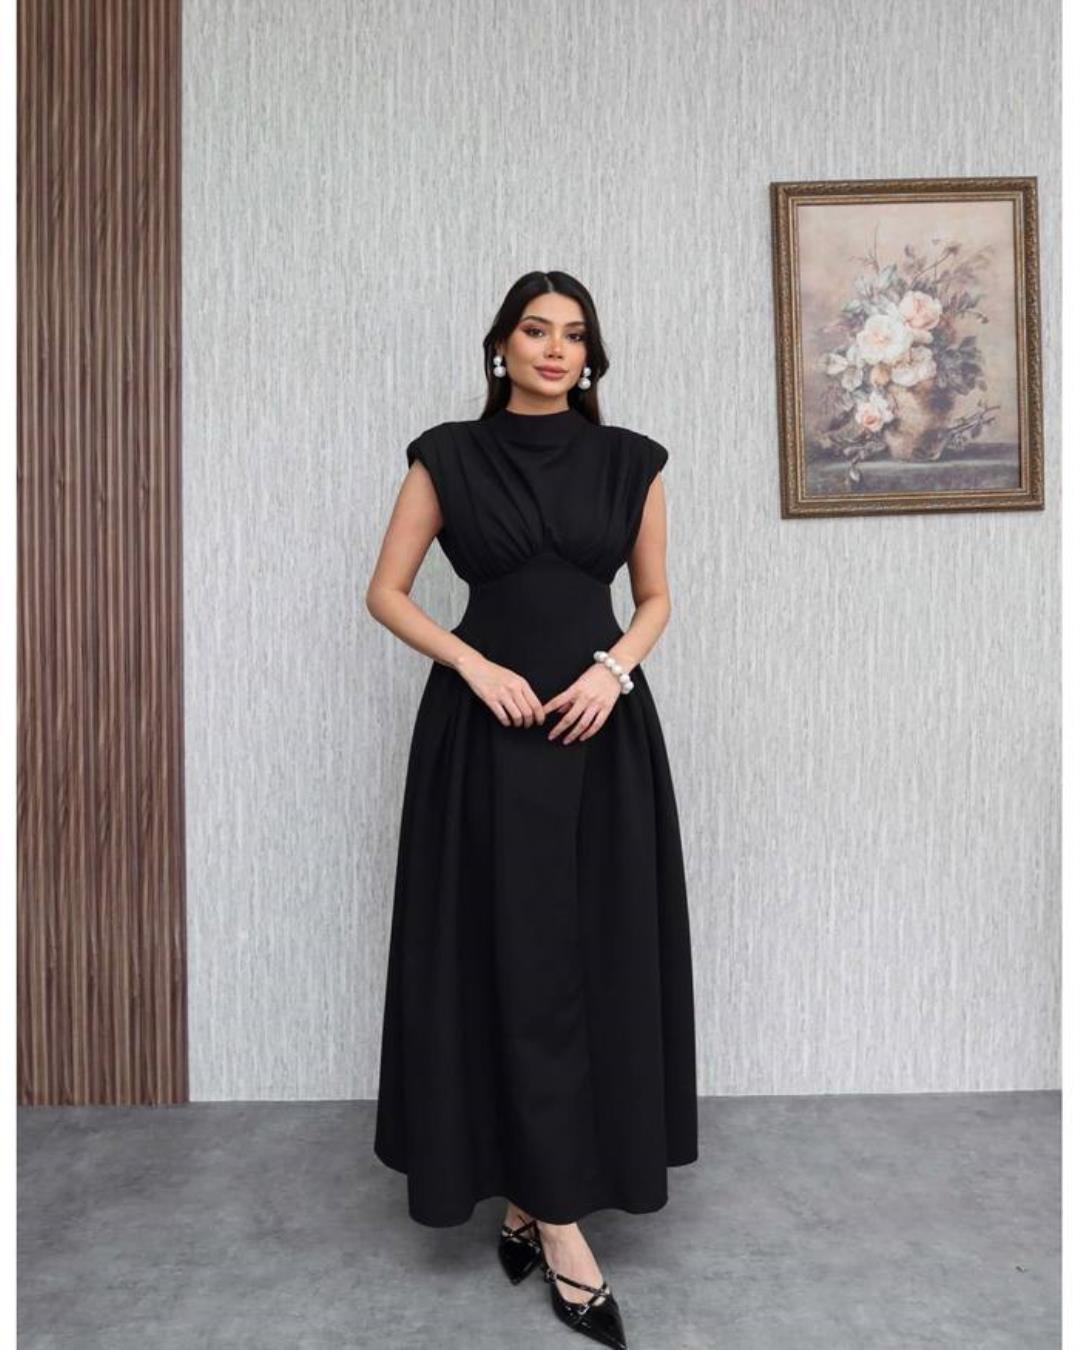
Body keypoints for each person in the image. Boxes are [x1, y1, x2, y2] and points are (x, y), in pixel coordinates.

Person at [366, 270, 697, 1349]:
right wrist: (471, 664)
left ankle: (531, 1198)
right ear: (500, 346)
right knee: (503, 959)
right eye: (536, 330)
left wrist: (613, 671)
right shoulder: (447, 456)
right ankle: (558, 1225)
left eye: (575, 335)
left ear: (590, 356)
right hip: (485, 741)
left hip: (599, 737)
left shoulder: (632, 460)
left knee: (586, 959)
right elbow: (386, 591)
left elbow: (655, 599)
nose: (556, 349)